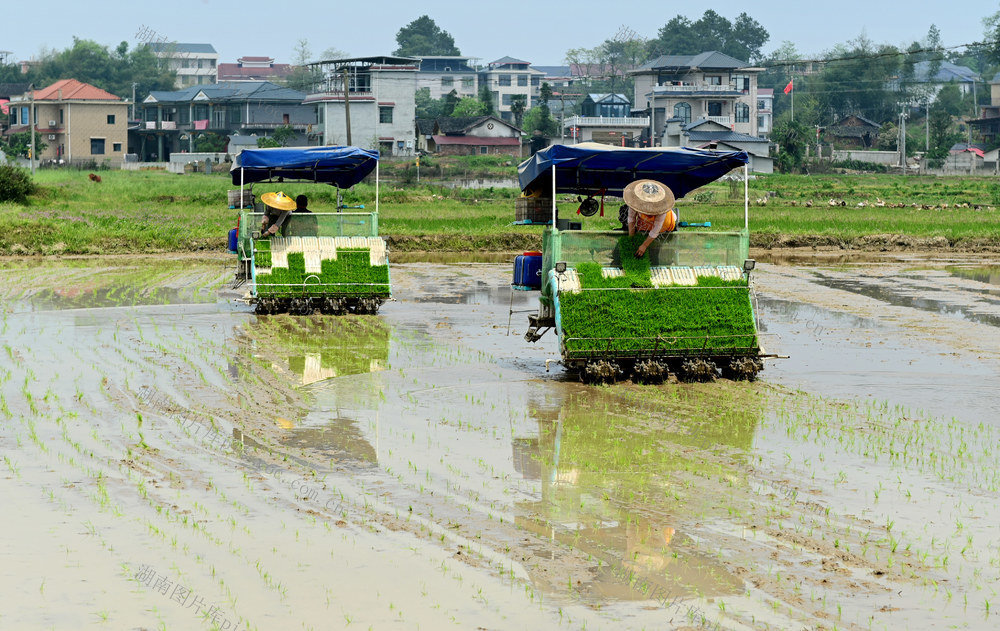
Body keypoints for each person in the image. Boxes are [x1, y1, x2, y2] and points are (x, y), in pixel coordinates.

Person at [623, 179, 678, 258]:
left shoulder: (661, 208)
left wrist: (644, 246)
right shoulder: (635, 201)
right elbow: (631, 218)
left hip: (666, 224)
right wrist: (631, 237)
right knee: (643, 237)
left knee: (659, 248)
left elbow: (656, 229)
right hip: (646, 223)